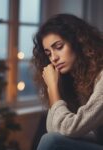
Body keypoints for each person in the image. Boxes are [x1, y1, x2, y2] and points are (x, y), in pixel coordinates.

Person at [32, 13, 103, 150]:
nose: (54, 58)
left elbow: (70, 128)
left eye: (58, 47)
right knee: (51, 138)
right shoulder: (77, 79)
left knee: (52, 141)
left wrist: (52, 88)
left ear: (78, 42)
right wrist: (55, 87)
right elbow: (54, 128)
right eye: (48, 53)